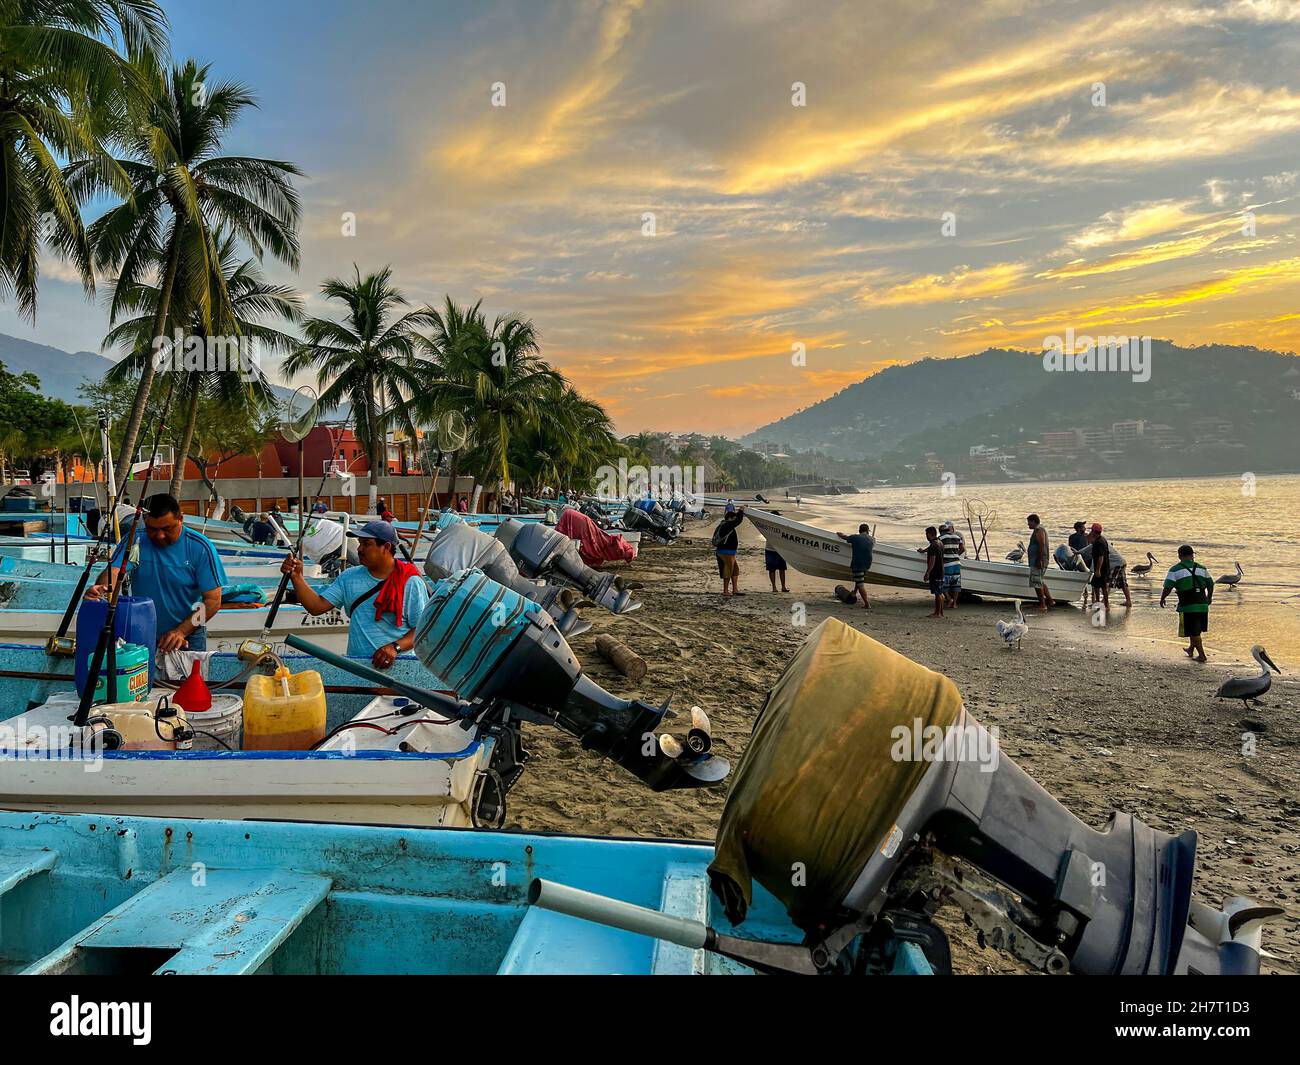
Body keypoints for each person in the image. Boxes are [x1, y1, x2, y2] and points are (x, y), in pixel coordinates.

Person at [85, 493, 226, 652]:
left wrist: (181, 631)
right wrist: (101, 588)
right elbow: (114, 571)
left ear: (181, 519)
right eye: (152, 529)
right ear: (145, 521)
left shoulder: (200, 548)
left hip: (188, 636)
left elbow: (213, 601)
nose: (159, 536)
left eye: (167, 528)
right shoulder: (136, 540)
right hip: (141, 632)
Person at [280, 520, 429, 669]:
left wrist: (394, 648)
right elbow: (316, 607)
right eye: (359, 543)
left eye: (366, 544)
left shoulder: (411, 582)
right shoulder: (348, 577)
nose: (359, 549)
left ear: (386, 547)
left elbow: (423, 630)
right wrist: (297, 577)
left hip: (401, 669)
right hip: (358, 668)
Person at [1160, 545, 1215, 663]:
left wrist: (1163, 598)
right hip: (1202, 603)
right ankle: (1191, 649)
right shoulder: (1202, 568)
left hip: (1188, 604)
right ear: (1192, 555)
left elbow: (1168, 586)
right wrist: (1209, 597)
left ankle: (1202, 655)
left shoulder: (1175, 569)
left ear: (1179, 556)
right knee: (1195, 629)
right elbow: (1210, 584)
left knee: (1193, 631)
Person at [836, 523, 875, 608]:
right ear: (867, 531)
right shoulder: (872, 539)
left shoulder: (855, 537)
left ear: (859, 530)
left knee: (860, 583)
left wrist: (838, 534)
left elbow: (845, 537)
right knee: (859, 579)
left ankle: (867, 604)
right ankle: (854, 592)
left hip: (858, 563)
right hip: (867, 564)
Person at [713, 505, 745, 598]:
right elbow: (738, 520)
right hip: (725, 552)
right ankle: (725, 590)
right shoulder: (727, 525)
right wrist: (741, 510)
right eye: (733, 518)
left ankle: (735, 589)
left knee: (735, 570)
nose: (734, 520)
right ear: (729, 518)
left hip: (730, 552)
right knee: (727, 571)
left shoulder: (725, 525)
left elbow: (737, 520)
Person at [1026, 514, 1054, 612]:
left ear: (1034, 521)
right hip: (1038, 560)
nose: (1028, 524)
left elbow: (1042, 544)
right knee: (1040, 581)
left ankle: (1043, 604)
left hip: (1038, 561)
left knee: (1037, 583)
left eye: (1029, 522)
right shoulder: (1039, 529)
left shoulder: (1038, 530)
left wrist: (1039, 560)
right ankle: (1050, 601)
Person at [938, 519, 965, 608]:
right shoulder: (957, 537)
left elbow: (935, 546)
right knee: (956, 584)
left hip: (947, 564)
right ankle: (955, 604)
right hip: (957, 563)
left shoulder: (941, 538)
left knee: (943, 584)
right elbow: (962, 549)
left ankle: (949, 599)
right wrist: (956, 555)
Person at [1087, 522, 1111, 613]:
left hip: (1101, 568)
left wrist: (1097, 570)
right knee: (1098, 585)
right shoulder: (1101, 540)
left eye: (1091, 530)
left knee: (1101, 586)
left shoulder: (1099, 542)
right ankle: (1102, 603)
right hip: (1104, 567)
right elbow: (1089, 540)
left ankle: (1103, 604)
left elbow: (1101, 557)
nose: (1090, 532)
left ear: (1094, 531)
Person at [923, 525, 945, 617]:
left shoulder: (933, 545)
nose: (926, 536)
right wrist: (923, 550)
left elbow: (932, 560)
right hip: (941, 571)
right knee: (940, 593)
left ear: (929, 534)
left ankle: (937, 613)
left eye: (926, 534)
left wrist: (927, 572)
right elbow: (931, 550)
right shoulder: (940, 543)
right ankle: (941, 612)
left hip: (935, 572)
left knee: (937, 593)